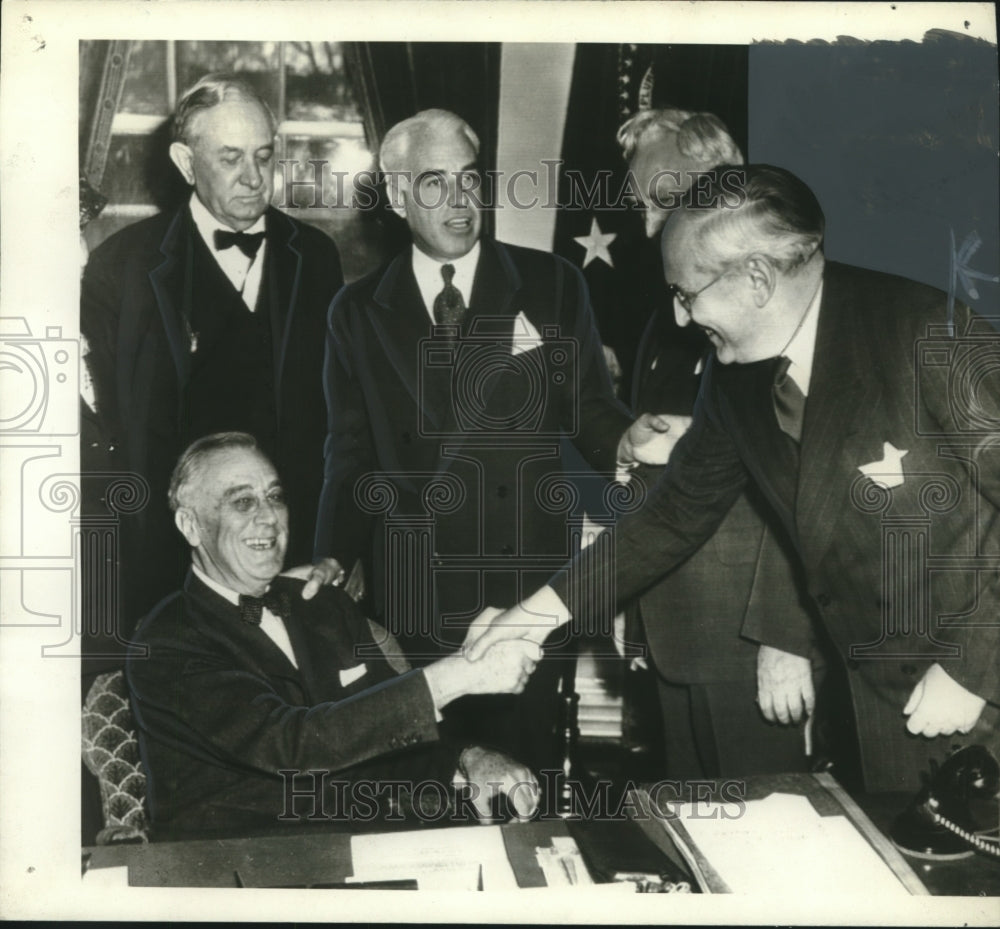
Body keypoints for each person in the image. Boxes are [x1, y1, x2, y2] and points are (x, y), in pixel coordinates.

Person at [468, 164, 1000, 793]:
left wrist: (972, 666)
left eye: (687, 293)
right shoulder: (737, 376)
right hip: (880, 699)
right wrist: (531, 615)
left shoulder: (927, 333)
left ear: (755, 279)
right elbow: (673, 515)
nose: (681, 316)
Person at [313, 109, 670, 771]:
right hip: (417, 583)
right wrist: (333, 555)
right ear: (395, 197)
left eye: (468, 179)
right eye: (433, 184)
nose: (458, 201)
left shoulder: (552, 282)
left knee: (523, 776)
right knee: (433, 774)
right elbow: (349, 451)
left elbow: (589, 406)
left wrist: (622, 434)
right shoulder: (357, 310)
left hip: (526, 583)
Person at [127, 432, 541, 841]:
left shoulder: (322, 606)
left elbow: (385, 740)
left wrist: (467, 758)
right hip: (239, 872)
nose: (269, 517)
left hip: (364, 849)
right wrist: (458, 676)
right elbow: (292, 746)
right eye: (243, 502)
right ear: (190, 524)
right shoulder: (167, 639)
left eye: (275, 496)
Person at [81, 73, 345, 679]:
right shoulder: (121, 267)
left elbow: (337, 423)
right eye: (230, 159)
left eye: (263, 156)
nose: (253, 178)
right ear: (184, 161)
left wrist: (331, 548)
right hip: (167, 568)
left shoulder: (318, 257)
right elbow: (113, 438)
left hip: (288, 554)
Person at [614, 109, 826, 778]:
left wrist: (785, 634)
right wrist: (637, 609)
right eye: (644, 205)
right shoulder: (671, 315)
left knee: (771, 836)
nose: (651, 226)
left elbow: (805, 484)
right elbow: (672, 484)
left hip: (752, 644)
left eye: (667, 202)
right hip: (679, 628)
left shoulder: (774, 312)